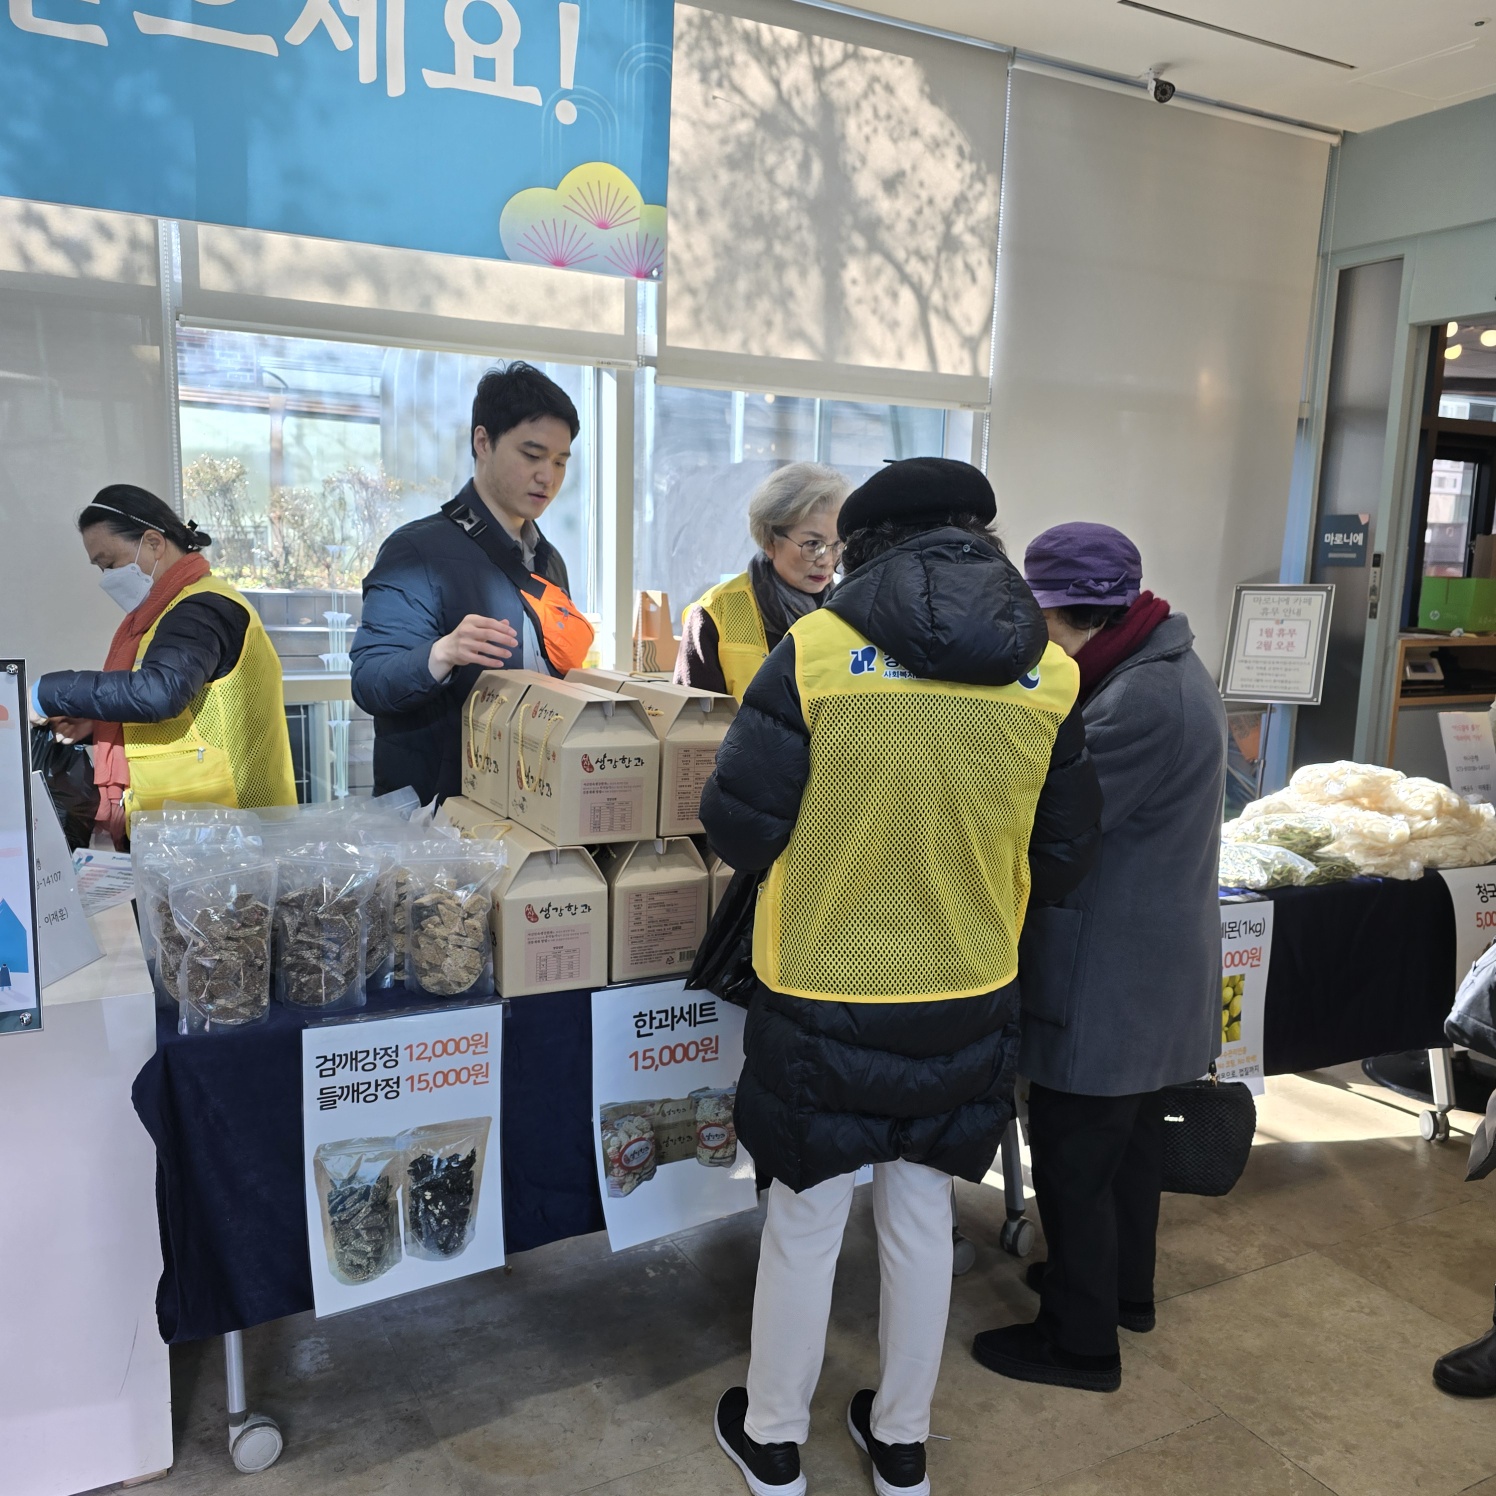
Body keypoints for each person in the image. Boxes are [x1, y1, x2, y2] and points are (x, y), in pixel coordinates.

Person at [700, 459, 1101, 1496]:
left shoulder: (815, 650)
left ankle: (774, 1442)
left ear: (865, 547)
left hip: (821, 976)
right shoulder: (1049, 672)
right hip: (967, 980)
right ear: (981, 537)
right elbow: (1065, 855)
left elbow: (740, 824)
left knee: (805, 1216)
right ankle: (901, 1445)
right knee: (922, 1219)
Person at [972, 521, 1228, 1394]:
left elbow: (1055, 822)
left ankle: (1078, 1344)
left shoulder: (1139, 698)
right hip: (1146, 963)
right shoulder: (1159, 665)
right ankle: (1123, 1293)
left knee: (1076, 1158)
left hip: (1114, 974)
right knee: (1127, 1151)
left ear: (1056, 612)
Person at [350, 362, 580, 804]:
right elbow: (369, 680)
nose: (547, 477)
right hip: (436, 819)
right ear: (483, 442)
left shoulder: (549, 562)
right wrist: (442, 653)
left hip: (531, 808)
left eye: (560, 461)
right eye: (532, 455)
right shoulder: (415, 551)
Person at [28, 485, 296, 847]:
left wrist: (50, 692)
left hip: (225, 833)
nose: (108, 577)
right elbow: (186, 708)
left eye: (111, 563)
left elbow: (159, 692)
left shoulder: (202, 609)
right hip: (186, 829)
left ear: (154, 542)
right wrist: (98, 724)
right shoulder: (164, 613)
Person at [675, 463, 849, 700]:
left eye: (837, 545)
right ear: (769, 540)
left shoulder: (849, 613)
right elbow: (694, 718)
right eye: (812, 544)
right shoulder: (715, 615)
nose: (827, 560)